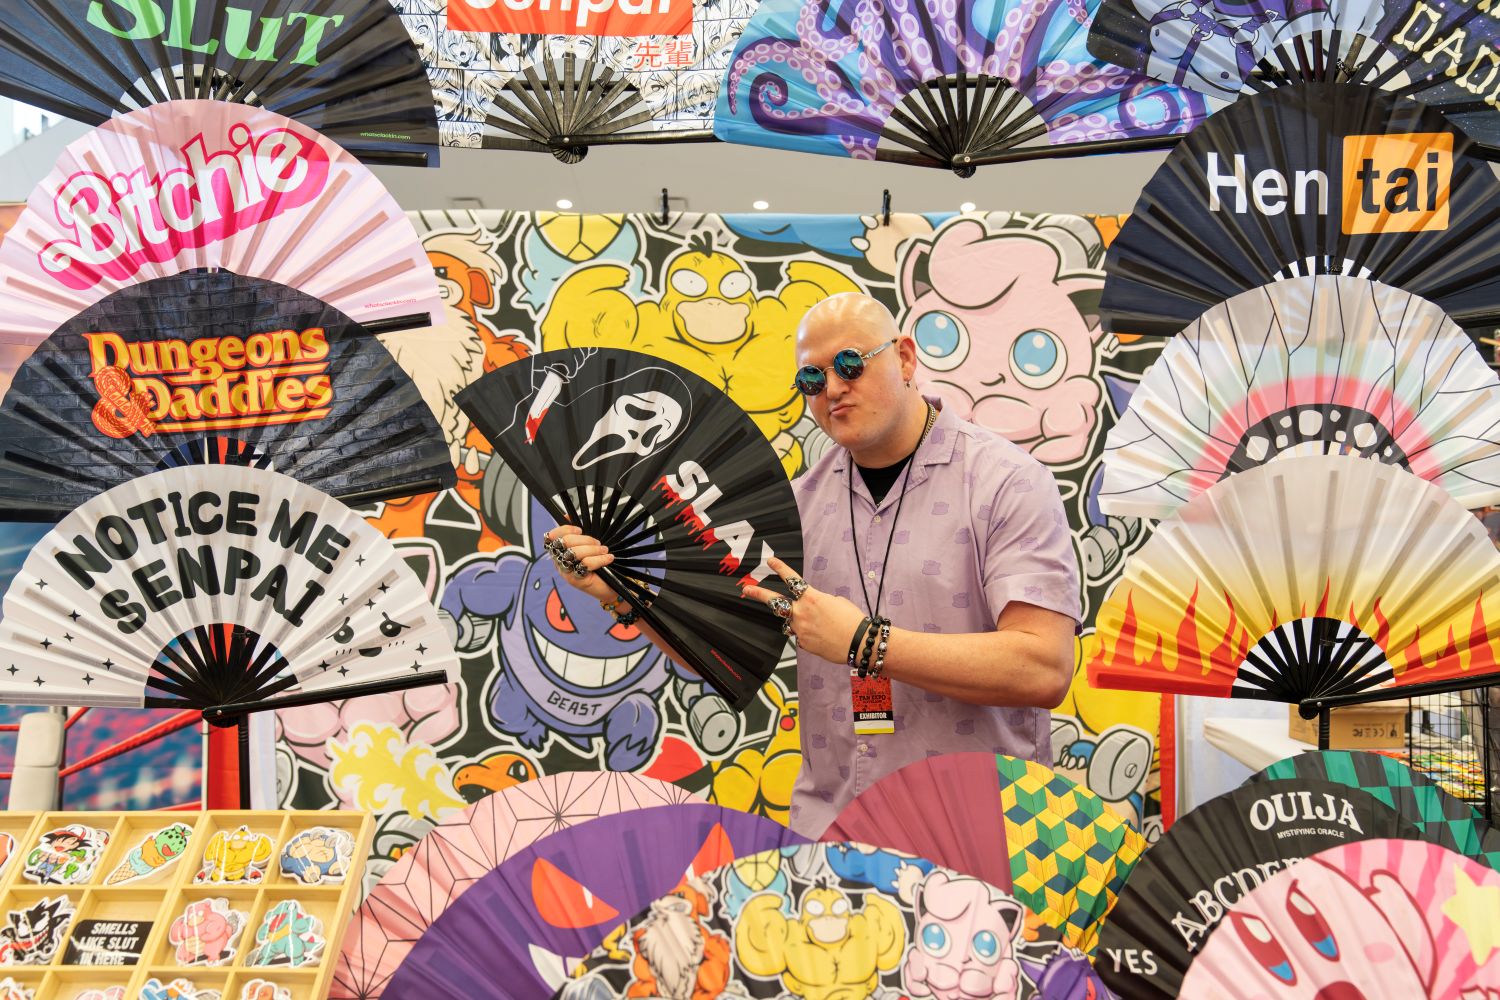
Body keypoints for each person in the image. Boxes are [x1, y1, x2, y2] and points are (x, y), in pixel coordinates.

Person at [545, 293, 1080, 836]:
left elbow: (1043, 667)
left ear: (905, 358)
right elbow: (717, 648)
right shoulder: (796, 507)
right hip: (836, 833)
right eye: (811, 379)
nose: (834, 388)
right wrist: (617, 591)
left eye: (850, 363)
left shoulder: (1006, 483)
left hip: (982, 830)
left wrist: (866, 643)